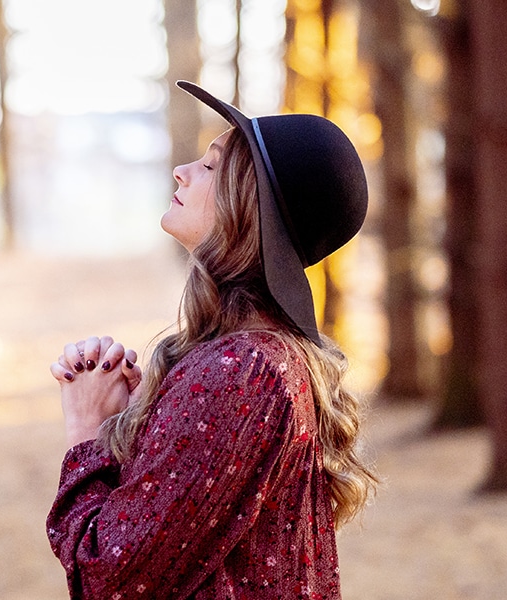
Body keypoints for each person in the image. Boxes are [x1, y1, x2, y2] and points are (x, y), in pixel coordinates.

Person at [46, 81, 377, 599]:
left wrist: (87, 433)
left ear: (249, 207)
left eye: (211, 166)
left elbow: (107, 578)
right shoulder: (263, 359)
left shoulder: (241, 372)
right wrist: (144, 425)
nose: (182, 170)